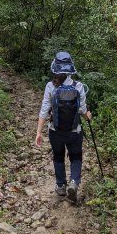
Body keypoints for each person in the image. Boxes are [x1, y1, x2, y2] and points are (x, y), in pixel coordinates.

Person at [35, 51, 92, 203]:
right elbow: (82, 111)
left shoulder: (50, 86)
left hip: (55, 131)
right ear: (70, 68)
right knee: (76, 157)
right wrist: (88, 115)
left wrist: (38, 132)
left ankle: (61, 186)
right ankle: (74, 182)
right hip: (75, 131)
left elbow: (44, 109)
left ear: (55, 67)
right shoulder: (78, 86)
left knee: (58, 156)